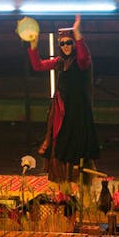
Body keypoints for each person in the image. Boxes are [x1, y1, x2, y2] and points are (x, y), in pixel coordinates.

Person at [27, 15, 99, 185]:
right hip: (61, 110)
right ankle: (64, 182)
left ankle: (80, 182)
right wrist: (33, 45)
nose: (66, 46)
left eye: (69, 43)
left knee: (76, 146)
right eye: (62, 43)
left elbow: (83, 57)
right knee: (59, 143)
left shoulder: (82, 62)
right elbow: (38, 65)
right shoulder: (60, 61)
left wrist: (77, 33)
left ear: (75, 44)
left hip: (78, 111)